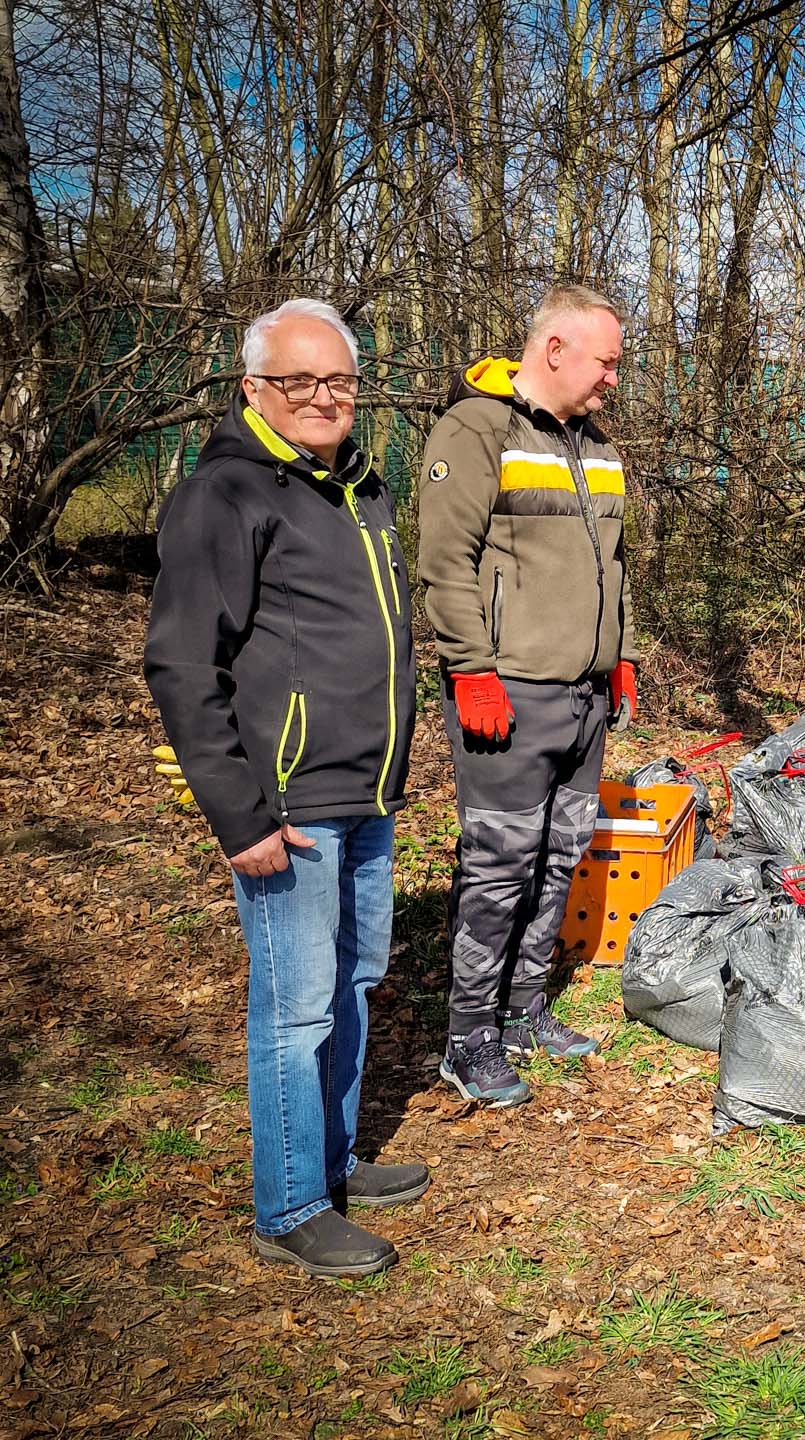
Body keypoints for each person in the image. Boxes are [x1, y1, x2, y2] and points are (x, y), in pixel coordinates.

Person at [145, 298, 425, 1278]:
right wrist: (238, 817)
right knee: (295, 1008)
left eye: (339, 382)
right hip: (288, 810)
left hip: (366, 793)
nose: (322, 399)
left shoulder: (361, 488)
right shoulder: (226, 495)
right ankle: (291, 1203)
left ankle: (334, 1161)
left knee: (351, 985)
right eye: (300, 382)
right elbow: (184, 664)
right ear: (254, 388)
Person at [418, 284, 638, 1106]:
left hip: (585, 695)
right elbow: (444, 563)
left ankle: (520, 1010)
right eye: (605, 362)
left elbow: (611, 565)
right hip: (506, 694)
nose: (613, 379)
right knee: (500, 864)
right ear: (554, 351)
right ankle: (466, 1037)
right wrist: (471, 668)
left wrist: (618, 653)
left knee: (559, 854)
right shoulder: (476, 430)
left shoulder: (599, 446)